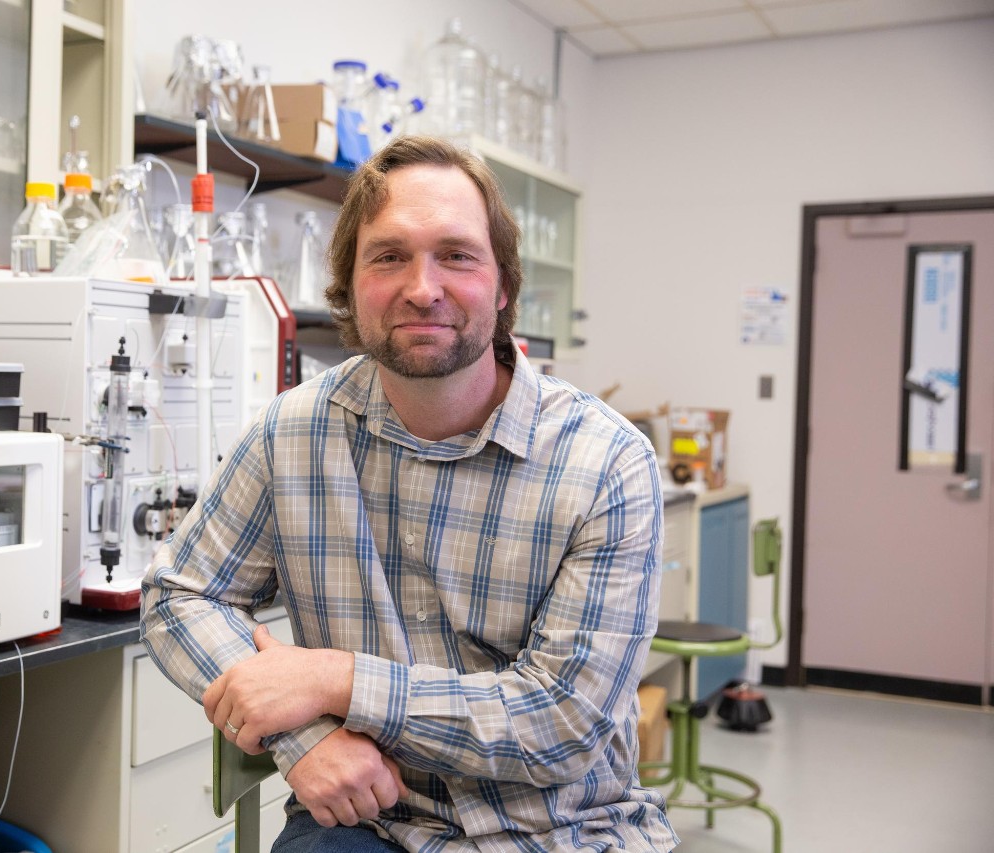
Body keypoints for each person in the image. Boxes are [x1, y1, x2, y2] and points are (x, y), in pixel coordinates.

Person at [140, 135, 677, 852]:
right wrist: (303, 740)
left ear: (504, 283)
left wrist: (336, 679)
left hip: (563, 830)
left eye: (456, 255)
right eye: (389, 256)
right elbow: (179, 594)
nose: (422, 288)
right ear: (350, 285)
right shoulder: (290, 432)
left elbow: (562, 723)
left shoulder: (606, 461)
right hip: (372, 818)